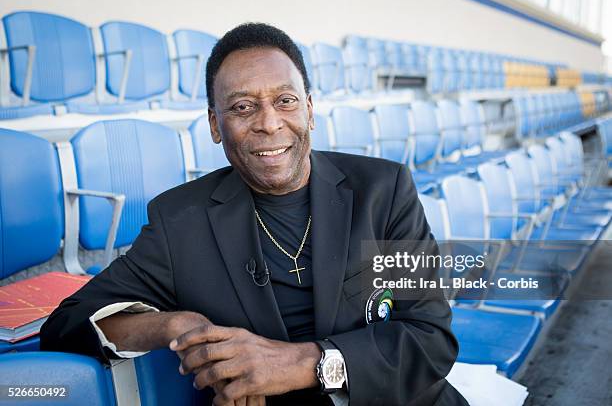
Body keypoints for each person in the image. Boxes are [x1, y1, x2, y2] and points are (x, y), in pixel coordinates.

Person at [40, 23, 467, 406]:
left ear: (309, 109)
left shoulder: (384, 191)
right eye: (243, 107)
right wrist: (176, 326)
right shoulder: (179, 219)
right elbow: (68, 323)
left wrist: (304, 364)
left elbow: (429, 339)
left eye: (285, 101)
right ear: (214, 124)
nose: (268, 122)